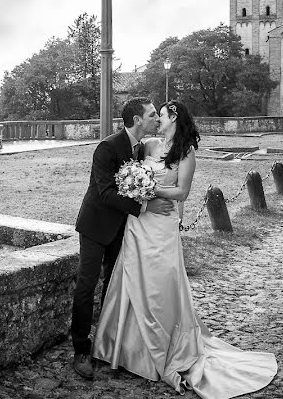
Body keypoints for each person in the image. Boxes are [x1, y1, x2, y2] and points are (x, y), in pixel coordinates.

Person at [92, 100, 278, 397]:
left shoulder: (187, 153)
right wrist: (134, 187)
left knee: (161, 284)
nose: (157, 120)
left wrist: (152, 190)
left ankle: (165, 345)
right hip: (138, 224)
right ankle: (124, 349)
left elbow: (182, 192)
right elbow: (127, 173)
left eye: (161, 116)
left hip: (163, 225)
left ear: (174, 119)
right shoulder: (148, 145)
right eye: (155, 116)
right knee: (131, 279)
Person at [70, 97, 175, 380]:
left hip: (122, 229)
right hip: (95, 226)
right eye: (152, 115)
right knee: (86, 285)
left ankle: (107, 343)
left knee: (115, 285)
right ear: (137, 120)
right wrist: (144, 207)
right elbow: (104, 193)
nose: (156, 118)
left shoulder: (141, 148)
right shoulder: (107, 147)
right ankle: (80, 349)